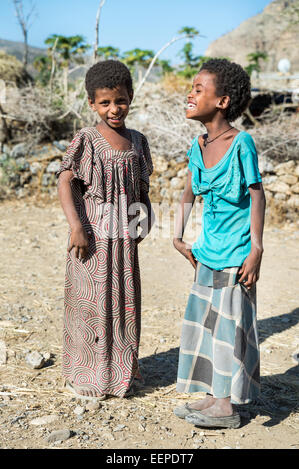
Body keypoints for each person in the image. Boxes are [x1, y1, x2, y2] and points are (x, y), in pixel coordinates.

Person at [173, 59, 266, 428]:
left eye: (199, 89)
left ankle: (227, 407)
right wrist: (177, 237)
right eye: (192, 88)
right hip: (207, 253)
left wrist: (256, 248)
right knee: (209, 327)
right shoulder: (199, 145)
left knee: (229, 329)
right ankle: (213, 396)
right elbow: (188, 193)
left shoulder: (241, 143)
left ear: (223, 101)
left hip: (235, 254)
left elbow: (257, 196)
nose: (190, 93)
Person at [56, 60, 153, 400]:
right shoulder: (87, 139)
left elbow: (142, 188)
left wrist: (144, 217)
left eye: (121, 100)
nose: (115, 109)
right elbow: (65, 180)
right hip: (92, 239)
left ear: (131, 97)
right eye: (106, 102)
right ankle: (85, 375)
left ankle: (119, 374)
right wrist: (76, 227)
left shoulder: (138, 141)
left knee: (123, 303)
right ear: (92, 104)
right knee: (91, 304)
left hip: (124, 240)